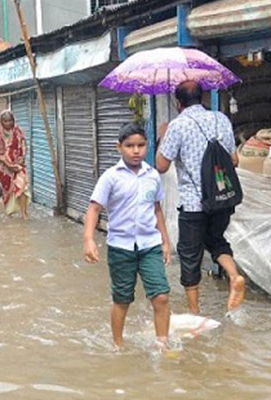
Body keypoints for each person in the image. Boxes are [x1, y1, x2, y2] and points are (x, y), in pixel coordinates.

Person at [156, 80, 245, 314]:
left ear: (178, 103)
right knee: (216, 241)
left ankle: (195, 312)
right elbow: (234, 159)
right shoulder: (221, 119)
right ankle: (235, 276)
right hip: (222, 199)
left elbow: (161, 165)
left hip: (194, 205)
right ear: (202, 97)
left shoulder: (177, 126)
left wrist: (163, 136)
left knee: (189, 255)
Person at [84, 122, 172, 350]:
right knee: (122, 299)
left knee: (161, 296)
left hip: (149, 245)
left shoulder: (152, 175)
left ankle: (163, 344)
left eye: (141, 145)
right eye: (129, 146)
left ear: (147, 146)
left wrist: (165, 240)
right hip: (120, 247)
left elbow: (157, 208)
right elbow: (94, 208)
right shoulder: (110, 177)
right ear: (119, 147)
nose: (136, 151)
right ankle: (118, 344)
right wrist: (89, 240)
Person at [0, 110, 31, 219]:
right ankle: (9, 213)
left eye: (10, 121)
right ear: (1, 122)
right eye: (5, 121)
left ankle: (24, 213)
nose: (8, 123)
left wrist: (22, 158)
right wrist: (8, 165)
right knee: (7, 191)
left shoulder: (19, 131)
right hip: (5, 168)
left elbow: (24, 145)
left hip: (18, 166)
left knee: (22, 187)